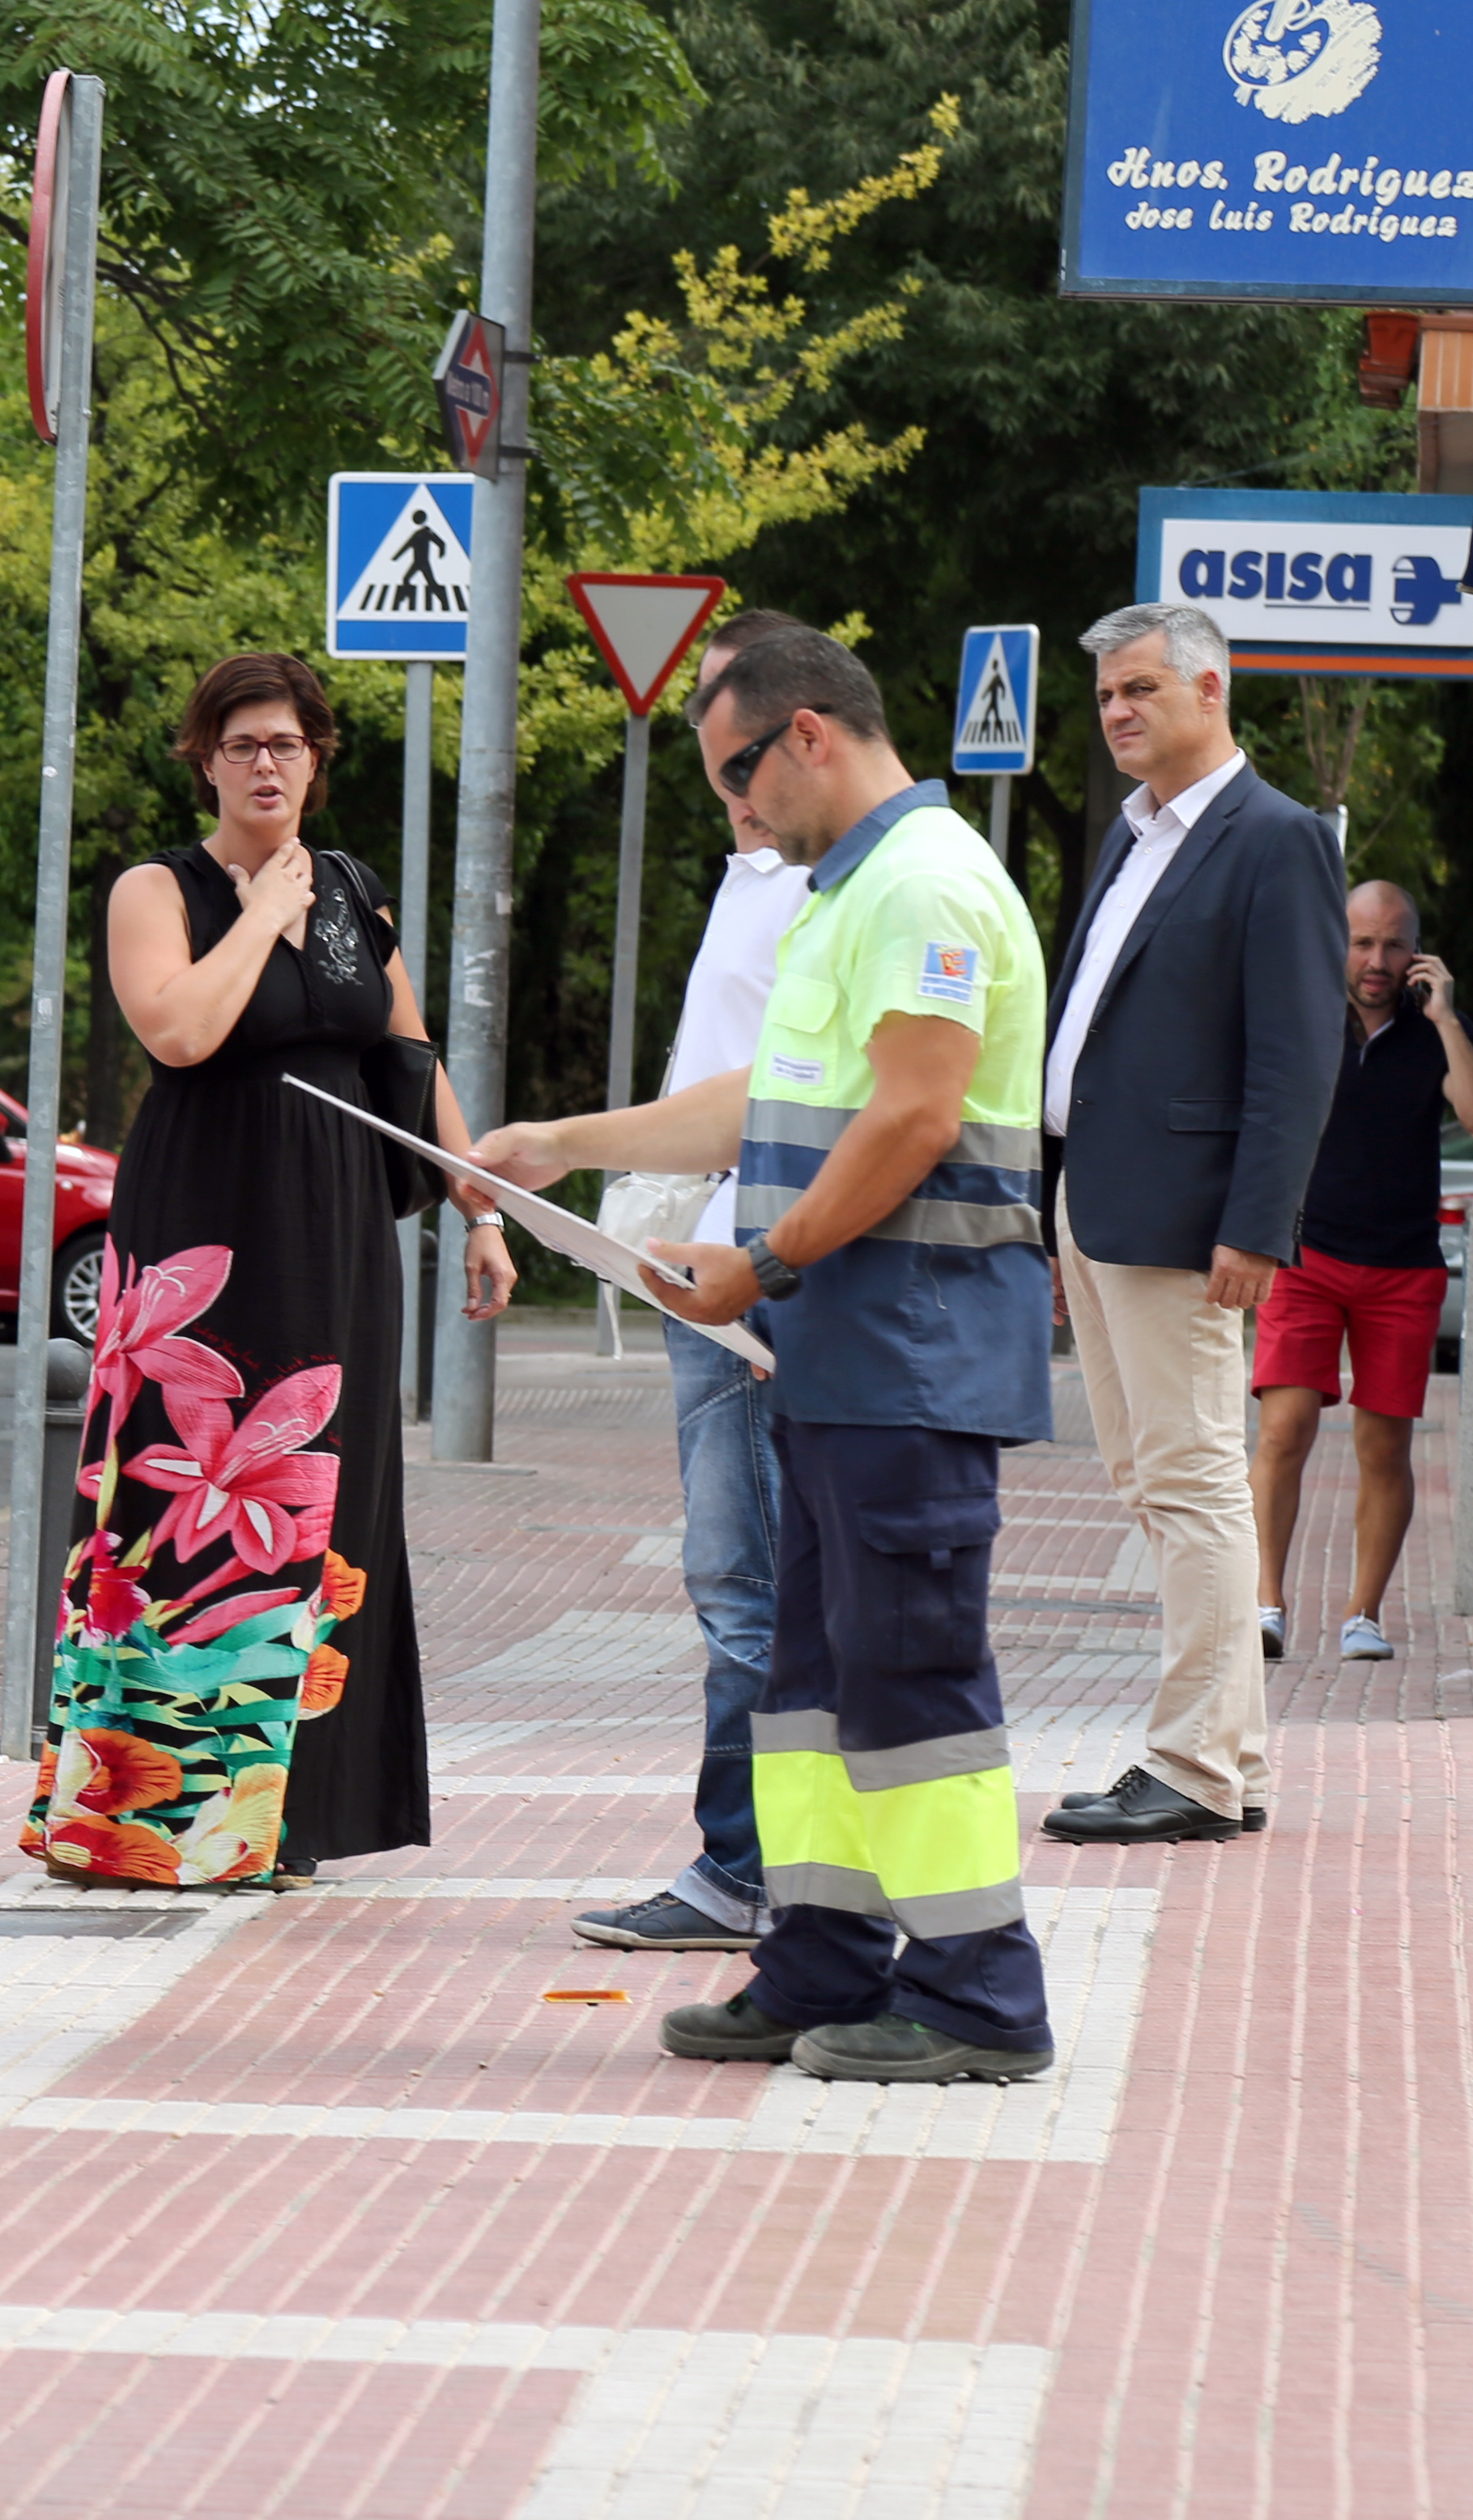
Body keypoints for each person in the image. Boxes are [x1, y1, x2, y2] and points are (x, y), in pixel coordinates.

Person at [483, 628, 1058, 2084]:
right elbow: (770, 1099)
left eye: (738, 776)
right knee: (809, 1682)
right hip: (841, 1355)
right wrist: (561, 1144)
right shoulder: (843, 893)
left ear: (808, 734)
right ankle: (815, 1961)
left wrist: (765, 1259)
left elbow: (916, 1116)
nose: (734, 812)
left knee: (912, 1675)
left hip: (906, 1347)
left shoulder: (921, 884)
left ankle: (980, 1997)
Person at [21, 651, 514, 1890]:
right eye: (240, 745)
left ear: (317, 758)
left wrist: (484, 1209)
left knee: (326, 1505)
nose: (266, 765)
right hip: (205, 1232)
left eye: (286, 744)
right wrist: (259, 915)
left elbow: (408, 1053)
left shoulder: (352, 890)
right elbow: (179, 1029)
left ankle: (289, 1817)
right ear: (204, 760)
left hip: (338, 1229)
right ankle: (153, 1817)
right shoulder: (162, 888)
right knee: (184, 1509)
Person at [1035, 603, 1344, 1848]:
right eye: (1109, 693)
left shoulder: (1274, 840)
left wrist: (1258, 1223)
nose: (1118, 711)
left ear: (1211, 690)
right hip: (1098, 1202)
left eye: (1143, 689)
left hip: (1189, 1221)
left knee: (1196, 1480)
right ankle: (1230, 1753)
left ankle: (1195, 1769)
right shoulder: (1130, 835)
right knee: (1152, 1479)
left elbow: (1297, 1053)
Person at [541, 607, 816, 1956]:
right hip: (700, 1270)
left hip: (754, 1283)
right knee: (741, 1582)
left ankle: (749, 1870)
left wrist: (755, 1258)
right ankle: (765, 1867)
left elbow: (775, 1101)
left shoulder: (830, 892)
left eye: (736, 735)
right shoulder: (749, 877)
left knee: (748, 1582)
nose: (717, 763)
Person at [1246, 880, 1473, 1661]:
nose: (1376, 960)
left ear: (1417, 954)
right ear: (1339, 944)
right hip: (1306, 1257)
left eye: (1394, 944)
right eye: (1362, 942)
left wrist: (1446, 1019)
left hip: (1402, 1270)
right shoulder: (1302, 1019)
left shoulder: (1436, 1033)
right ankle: (1265, 1604)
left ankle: (1363, 1615)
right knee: (1285, 1428)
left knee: (1383, 1447)